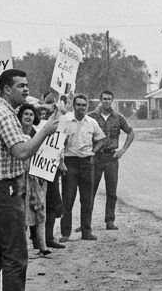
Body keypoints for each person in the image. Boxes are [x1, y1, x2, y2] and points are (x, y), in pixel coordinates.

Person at [0, 69, 60, 291]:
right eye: (21, 86)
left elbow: (19, 140)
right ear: (5, 90)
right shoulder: (4, 115)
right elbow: (22, 151)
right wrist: (45, 131)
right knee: (15, 254)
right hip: (4, 192)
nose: (26, 90)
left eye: (27, 85)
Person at [59, 94, 106, 242]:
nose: (81, 108)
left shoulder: (91, 122)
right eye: (78, 105)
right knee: (68, 198)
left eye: (83, 105)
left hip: (87, 163)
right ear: (73, 106)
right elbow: (58, 141)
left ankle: (86, 231)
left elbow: (102, 139)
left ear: (87, 107)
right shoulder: (65, 121)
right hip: (70, 162)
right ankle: (65, 233)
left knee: (87, 199)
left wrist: (94, 151)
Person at [91, 90, 135, 231]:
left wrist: (123, 150)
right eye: (104, 99)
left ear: (113, 101)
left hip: (111, 157)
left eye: (109, 99)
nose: (107, 101)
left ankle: (110, 221)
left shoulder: (118, 117)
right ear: (100, 100)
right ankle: (86, 223)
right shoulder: (91, 117)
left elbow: (130, 132)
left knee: (112, 191)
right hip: (96, 157)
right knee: (90, 191)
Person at [18, 104, 51, 256]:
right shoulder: (16, 134)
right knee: (23, 212)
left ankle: (42, 246)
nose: (28, 117)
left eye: (31, 114)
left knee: (40, 211)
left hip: (37, 178)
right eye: (25, 114)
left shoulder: (38, 134)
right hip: (21, 178)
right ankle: (23, 246)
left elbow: (49, 154)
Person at [43, 94, 74, 248]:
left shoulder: (61, 122)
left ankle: (48, 238)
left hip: (51, 167)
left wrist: (61, 161)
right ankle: (38, 240)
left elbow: (61, 144)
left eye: (53, 105)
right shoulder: (37, 120)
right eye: (49, 105)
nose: (51, 108)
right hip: (36, 169)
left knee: (53, 203)